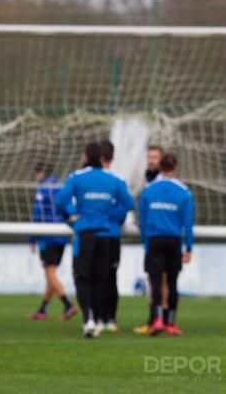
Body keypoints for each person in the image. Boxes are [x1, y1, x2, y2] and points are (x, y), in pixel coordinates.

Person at [56, 142, 133, 338]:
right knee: (101, 279)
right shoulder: (113, 179)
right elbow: (128, 203)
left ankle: (89, 318)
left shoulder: (77, 177)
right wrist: (109, 216)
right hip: (105, 235)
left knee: (82, 277)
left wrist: (73, 215)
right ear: (102, 158)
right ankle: (98, 320)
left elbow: (60, 201)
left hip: (85, 234)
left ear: (85, 156)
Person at [139, 153, 194, 337]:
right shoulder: (184, 191)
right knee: (171, 282)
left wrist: (146, 244)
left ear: (160, 168)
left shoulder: (148, 189)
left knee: (155, 283)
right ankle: (170, 324)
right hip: (173, 241)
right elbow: (187, 224)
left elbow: (143, 221)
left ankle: (156, 320)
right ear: (176, 168)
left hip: (154, 240)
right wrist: (188, 248)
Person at [27, 162, 78, 321]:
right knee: (51, 273)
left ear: (40, 173)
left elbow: (38, 215)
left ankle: (68, 304)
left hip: (47, 235)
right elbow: (71, 210)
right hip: (61, 236)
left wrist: (32, 237)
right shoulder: (61, 187)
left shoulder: (43, 189)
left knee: (49, 272)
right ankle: (43, 310)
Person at [96, 140, 134, 333]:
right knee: (109, 277)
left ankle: (100, 318)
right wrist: (114, 218)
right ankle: (108, 319)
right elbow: (127, 204)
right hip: (110, 235)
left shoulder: (112, 179)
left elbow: (128, 203)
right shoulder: (117, 179)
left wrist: (109, 217)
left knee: (101, 277)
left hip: (98, 234)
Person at [133, 144, 170, 335]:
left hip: (163, 236)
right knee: (154, 280)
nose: (151, 160)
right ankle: (157, 319)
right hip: (152, 235)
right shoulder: (146, 178)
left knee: (162, 280)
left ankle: (161, 319)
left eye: (155, 157)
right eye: (149, 157)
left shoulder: (163, 180)